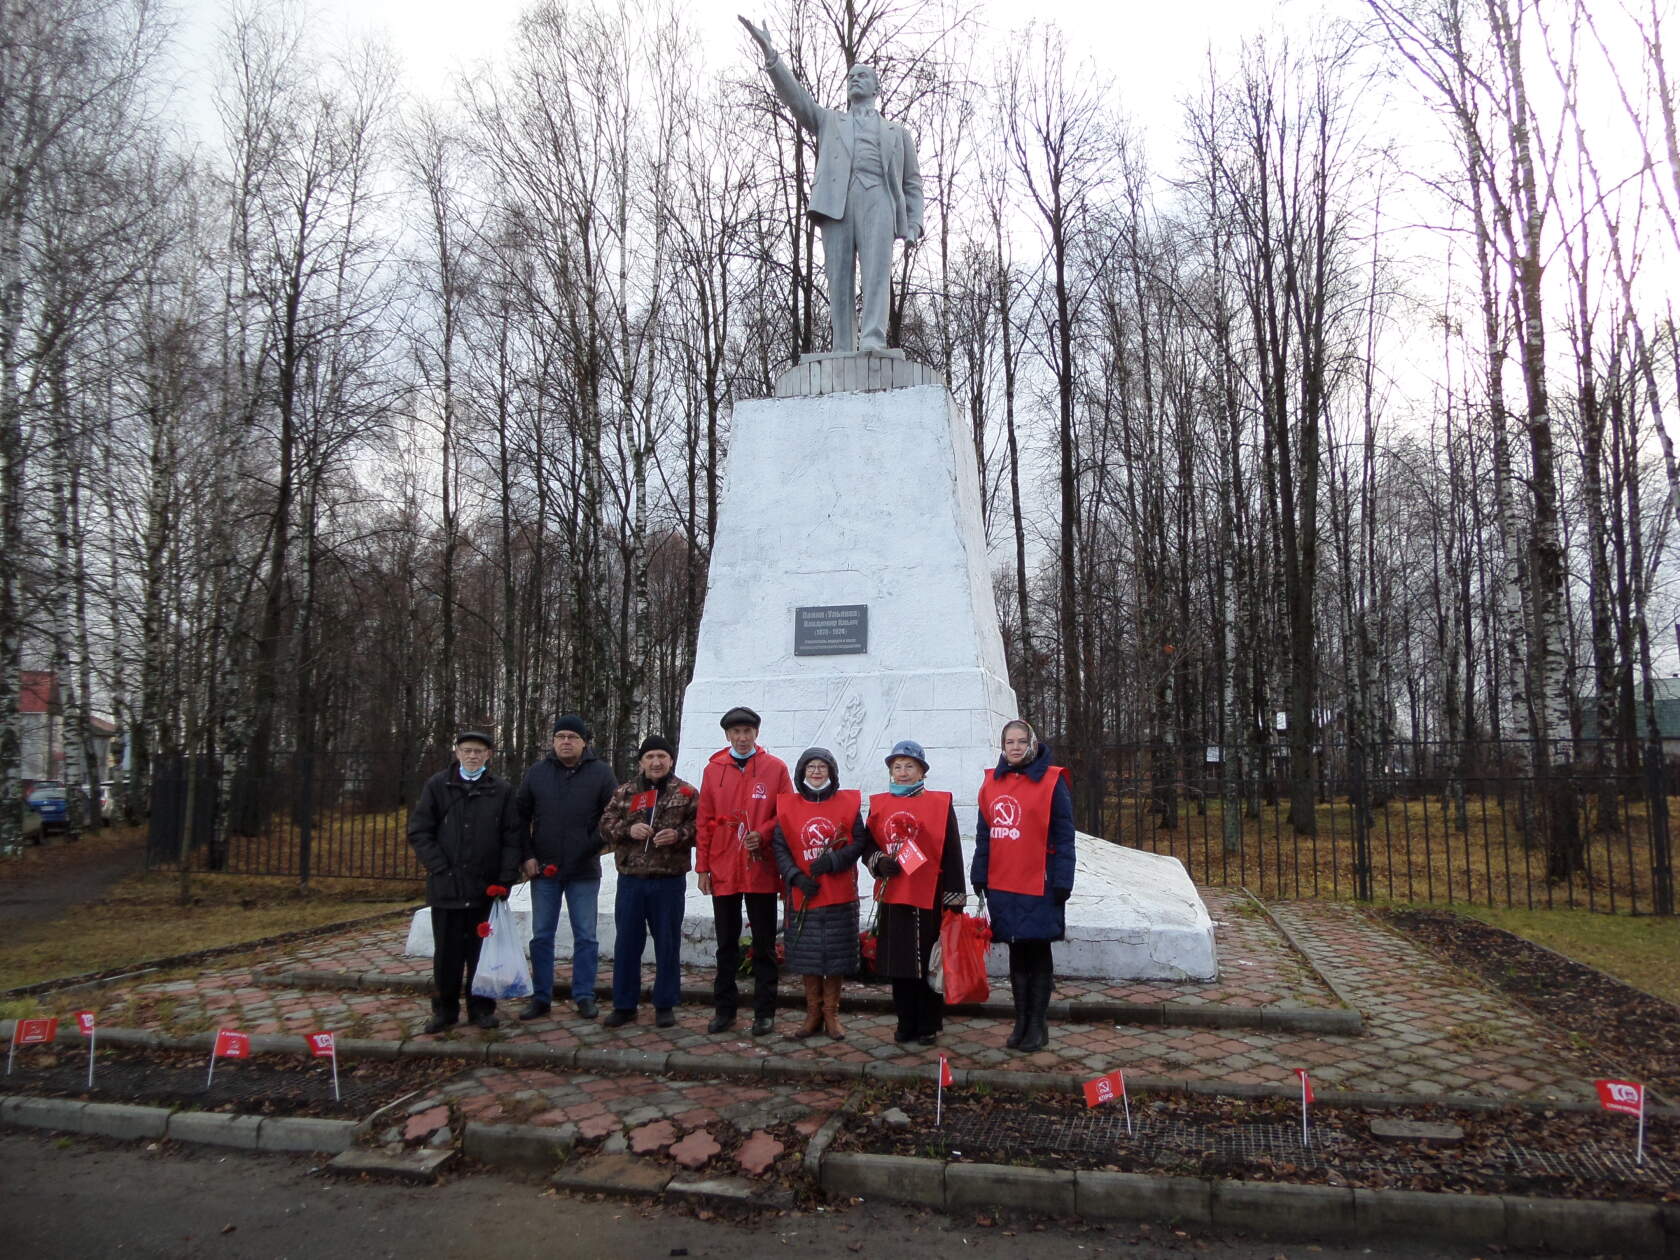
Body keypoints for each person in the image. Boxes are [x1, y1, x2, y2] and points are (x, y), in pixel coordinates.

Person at [739, 16, 923, 353]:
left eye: (862, 76)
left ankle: (872, 339)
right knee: (838, 276)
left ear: (876, 87)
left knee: (877, 273)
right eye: (850, 76)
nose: (854, 79)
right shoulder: (829, 121)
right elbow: (799, 101)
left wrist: (913, 224)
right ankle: (842, 345)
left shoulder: (898, 134)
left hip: (879, 200)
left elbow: (912, 184)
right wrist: (773, 59)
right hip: (837, 201)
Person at [407, 729, 523, 1033]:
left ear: (488, 756)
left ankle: (481, 1008)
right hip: (447, 886)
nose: (473, 756)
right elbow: (420, 830)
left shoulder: (501, 790)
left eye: (479, 751)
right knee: (447, 954)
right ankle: (445, 1010)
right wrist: (439, 867)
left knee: (481, 953)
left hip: (486, 888)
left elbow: (513, 837)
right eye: (467, 750)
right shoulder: (438, 786)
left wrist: (506, 877)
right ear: (457, 752)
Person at [971, 719, 1076, 1053]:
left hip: (1040, 881)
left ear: (1032, 743)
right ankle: (1021, 1021)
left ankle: (1037, 1024)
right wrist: (979, 872)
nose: (1014, 748)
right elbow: (985, 834)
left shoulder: (1052, 781)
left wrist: (1063, 879)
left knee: (1037, 951)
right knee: (1016, 952)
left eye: (1020, 741)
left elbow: (1064, 835)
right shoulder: (991, 783)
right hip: (1004, 880)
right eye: (1008, 742)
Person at [696, 705, 794, 1036]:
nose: (741, 738)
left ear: (757, 733)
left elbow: (786, 812)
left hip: (760, 867)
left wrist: (763, 833)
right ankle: (725, 1010)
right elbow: (704, 820)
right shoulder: (713, 771)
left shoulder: (775, 768)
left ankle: (764, 1012)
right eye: (735, 732)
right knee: (726, 943)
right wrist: (702, 867)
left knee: (764, 944)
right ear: (727, 735)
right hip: (724, 866)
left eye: (747, 732)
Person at [515, 714, 619, 1022]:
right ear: (552, 741)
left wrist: (587, 849)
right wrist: (527, 855)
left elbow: (610, 819)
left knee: (585, 936)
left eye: (572, 737)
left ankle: (584, 995)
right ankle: (541, 996)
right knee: (541, 935)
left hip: (584, 870)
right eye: (560, 737)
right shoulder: (537, 773)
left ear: (584, 741)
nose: (566, 742)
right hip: (544, 869)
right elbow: (520, 817)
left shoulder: (601, 773)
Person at [863, 739, 965, 1046]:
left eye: (910, 766)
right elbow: (868, 844)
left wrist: (954, 898)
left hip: (929, 893)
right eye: (898, 767)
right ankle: (905, 1020)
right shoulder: (880, 804)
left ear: (922, 771)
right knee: (899, 963)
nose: (903, 772)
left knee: (928, 962)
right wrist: (879, 862)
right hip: (894, 893)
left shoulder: (940, 803)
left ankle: (929, 1023)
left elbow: (952, 850)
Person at [598, 736, 699, 1029]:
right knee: (627, 943)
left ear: (671, 760)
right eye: (650, 757)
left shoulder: (687, 792)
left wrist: (679, 835)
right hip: (632, 880)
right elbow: (605, 824)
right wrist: (629, 829)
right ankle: (624, 1004)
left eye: (662, 757)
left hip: (668, 881)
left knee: (667, 943)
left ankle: (665, 1003)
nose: (656, 762)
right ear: (641, 761)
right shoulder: (625, 792)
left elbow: (701, 826)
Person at [771, 746, 867, 1040]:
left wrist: (835, 860)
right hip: (805, 894)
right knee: (809, 957)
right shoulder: (787, 805)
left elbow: (859, 841)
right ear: (801, 773)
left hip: (838, 892)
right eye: (810, 767)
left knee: (835, 957)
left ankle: (832, 1014)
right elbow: (780, 846)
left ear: (831, 772)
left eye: (821, 767)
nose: (816, 772)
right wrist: (796, 876)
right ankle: (813, 1012)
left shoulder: (848, 804)